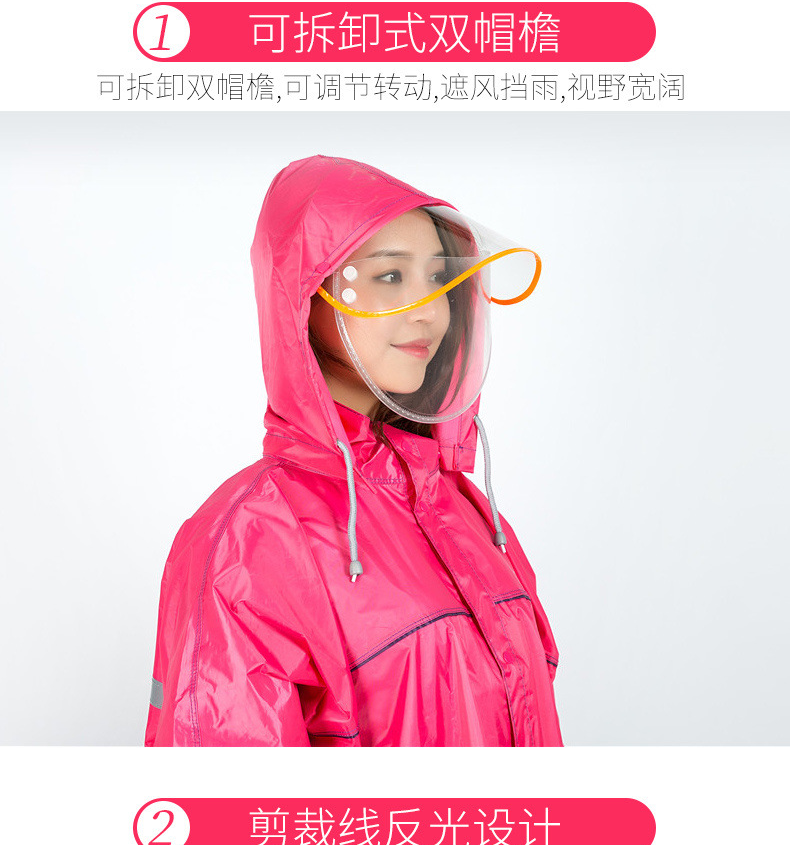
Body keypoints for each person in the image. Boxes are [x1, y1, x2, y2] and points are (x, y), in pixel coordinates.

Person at [145, 155, 562, 747]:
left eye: (439, 279)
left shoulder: (465, 511)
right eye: (389, 276)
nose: (431, 310)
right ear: (304, 295)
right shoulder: (251, 538)